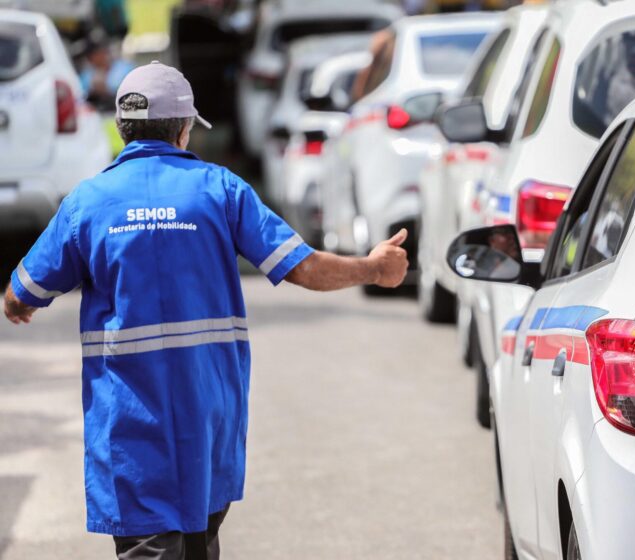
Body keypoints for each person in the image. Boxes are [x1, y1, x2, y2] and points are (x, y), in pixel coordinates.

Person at [3, 61, 408, 560]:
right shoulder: (221, 190)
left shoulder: (87, 203)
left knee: (148, 547)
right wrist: (372, 268)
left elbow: (23, 292)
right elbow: (303, 268)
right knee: (200, 540)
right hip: (208, 424)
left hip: (130, 433)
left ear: (121, 127)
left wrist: (17, 305)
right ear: (183, 128)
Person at [79, 30, 135, 110]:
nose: (102, 55)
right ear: (90, 58)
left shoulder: (124, 67)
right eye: (96, 53)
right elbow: (80, 99)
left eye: (103, 50)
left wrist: (108, 90)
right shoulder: (86, 76)